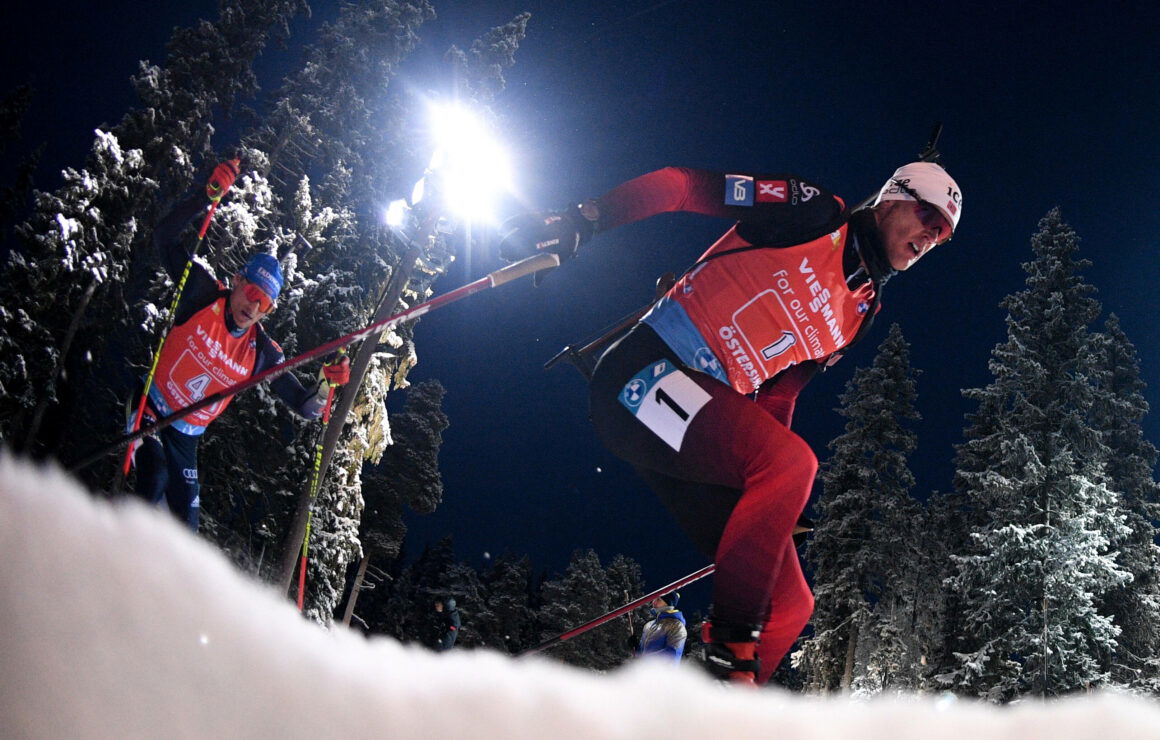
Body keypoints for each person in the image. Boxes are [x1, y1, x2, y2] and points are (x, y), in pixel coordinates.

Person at [499, 162, 962, 685]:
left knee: (791, 604)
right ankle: (731, 646)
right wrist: (588, 218)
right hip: (644, 371)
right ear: (891, 198)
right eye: (927, 215)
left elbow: (779, 395)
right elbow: (685, 186)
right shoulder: (814, 212)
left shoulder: (861, 311)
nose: (931, 234)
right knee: (791, 465)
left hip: (699, 426)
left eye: (942, 233)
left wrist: (776, 495)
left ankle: (715, 715)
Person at [129, 160, 351, 531]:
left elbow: (307, 407)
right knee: (153, 479)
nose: (252, 306)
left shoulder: (262, 352)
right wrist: (205, 195)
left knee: (186, 529)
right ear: (236, 280)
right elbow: (164, 237)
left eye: (263, 303)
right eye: (250, 293)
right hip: (150, 408)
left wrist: (328, 382)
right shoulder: (201, 294)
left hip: (187, 438)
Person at [635, 592, 687, 662]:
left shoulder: (677, 625)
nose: (654, 602)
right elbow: (641, 656)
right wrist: (636, 647)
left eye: (658, 599)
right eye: (654, 599)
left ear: (668, 603)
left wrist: (645, 661)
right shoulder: (649, 625)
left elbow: (672, 654)